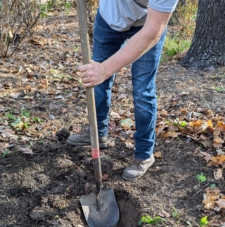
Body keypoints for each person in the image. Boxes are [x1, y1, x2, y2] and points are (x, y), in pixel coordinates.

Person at [67, 0, 179, 181]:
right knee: (98, 84)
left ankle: (144, 154)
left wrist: (104, 70)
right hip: (109, 17)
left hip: (147, 24)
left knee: (143, 90)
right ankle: (97, 133)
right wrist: (100, 72)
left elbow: (152, 31)